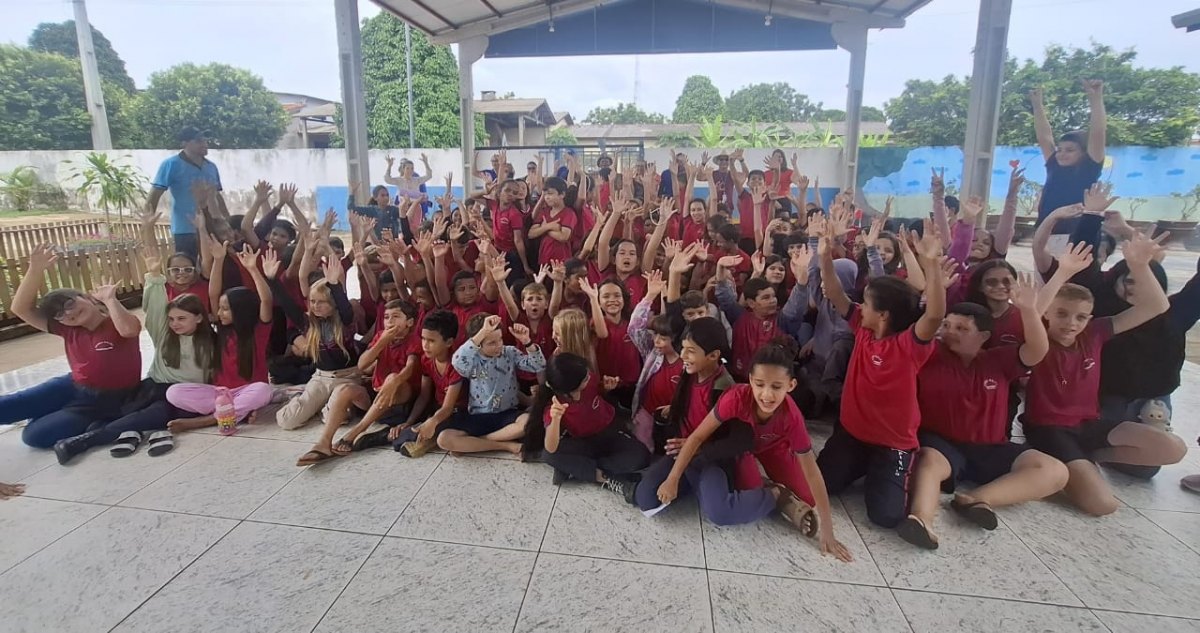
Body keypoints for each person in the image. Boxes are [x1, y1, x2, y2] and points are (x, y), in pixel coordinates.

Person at [1022, 232, 1188, 516]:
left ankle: (1089, 459)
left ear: (1089, 318)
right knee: (1103, 505)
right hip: (1050, 429)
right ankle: (1070, 466)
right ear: (1048, 314)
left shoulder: (1095, 332)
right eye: (1061, 314)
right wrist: (1062, 273)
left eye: (1080, 317)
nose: (1071, 323)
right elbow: (1034, 311)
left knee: (1173, 448)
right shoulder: (1038, 340)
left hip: (1091, 423)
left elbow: (1157, 307)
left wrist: (1139, 265)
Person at [901, 278, 1069, 550]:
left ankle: (977, 499)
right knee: (929, 462)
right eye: (947, 325)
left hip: (991, 447)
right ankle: (921, 520)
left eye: (962, 328)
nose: (949, 332)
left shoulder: (997, 360)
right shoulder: (931, 355)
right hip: (942, 444)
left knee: (1055, 470)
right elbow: (917, 332)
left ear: (983, 337)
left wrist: (1028, 310)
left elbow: (1037, 350)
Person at [653, 336, 853, 562]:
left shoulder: (791, 415)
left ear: (791, 386)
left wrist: (828, 532)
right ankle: (774, 491)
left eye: (776, 387)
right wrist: (673, 478)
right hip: (742, 449)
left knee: (807, 496)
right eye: (759, 384)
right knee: (751, 488)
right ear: (750, 381)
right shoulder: (735, 398)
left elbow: (812, 471)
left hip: (773, 445)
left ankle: (783, 492)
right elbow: (697, 436)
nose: (766, 395)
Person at [814, 210, 948, 529]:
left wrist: (931, 266)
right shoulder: (862, 326)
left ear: (884, 315)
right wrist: (824, 255)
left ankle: (896, 469)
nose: (861, 304)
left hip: (892, 443)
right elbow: (834, 292)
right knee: (821, 485)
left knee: (885, 516)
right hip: (851, 433)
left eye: (868, 302)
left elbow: (934, 316)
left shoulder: (909, 345)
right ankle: (861, 465)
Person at [4, 245, 142, 450]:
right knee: (7, 406)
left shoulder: (116, 321)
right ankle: (53, 408)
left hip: (105, 401)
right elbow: (20, 309)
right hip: (71, 385)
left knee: (34, 435)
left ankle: (91, 421)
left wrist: (110, 300)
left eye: (69, 304)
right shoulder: (67, 329)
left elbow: (130, 330)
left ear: (87, 297)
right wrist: (35, 269)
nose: (68, 314)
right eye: (59, 314)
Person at [522, 353, 651, 498]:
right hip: (583, 442)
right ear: (570, 388)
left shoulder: (588, 380)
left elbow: (598, 390)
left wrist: (607, 387)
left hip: (609, 431)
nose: (589, 377)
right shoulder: (555, 405)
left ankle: (577, 469)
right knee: (549, 456)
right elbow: (551, 447)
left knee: (641, 456)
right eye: (584, 379)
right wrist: (556, 418)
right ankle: (604, 478)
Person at [440, 314, 545, 456]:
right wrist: (482, 332)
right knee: (444, 439)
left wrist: (527, 342)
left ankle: (477, 442)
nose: (499, 345)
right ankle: (506, 445)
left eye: (500, 339)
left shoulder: (510, 353)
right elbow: (458, 361)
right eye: (491, 343)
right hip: (479, 416)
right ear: (478, 344)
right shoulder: (472, 359)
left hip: (507, 414)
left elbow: (538, 365)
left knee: (527, 423)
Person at [1030, 81, 1107, 241]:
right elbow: (1044, 137)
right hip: (1046, 231)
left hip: (1077, 234)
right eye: (1060, 149)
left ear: (1084, 153)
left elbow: (1098, 133)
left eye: (1070, 150)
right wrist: (1037, 106)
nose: (1062, 154)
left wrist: (1095, 99)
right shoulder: (1054, 166)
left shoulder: (1089, 167)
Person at [146, 126, 224, 259]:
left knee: (215, 267)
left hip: (212, 227)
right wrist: (147, 223)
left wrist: (226, 221)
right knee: (189, 268)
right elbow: (155, 195)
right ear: (184, 143)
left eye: (206, 140)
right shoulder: (171, 164)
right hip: (185, 230)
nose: (205, 144)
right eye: (199, 141)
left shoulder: (211, 167)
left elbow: (217, 196)